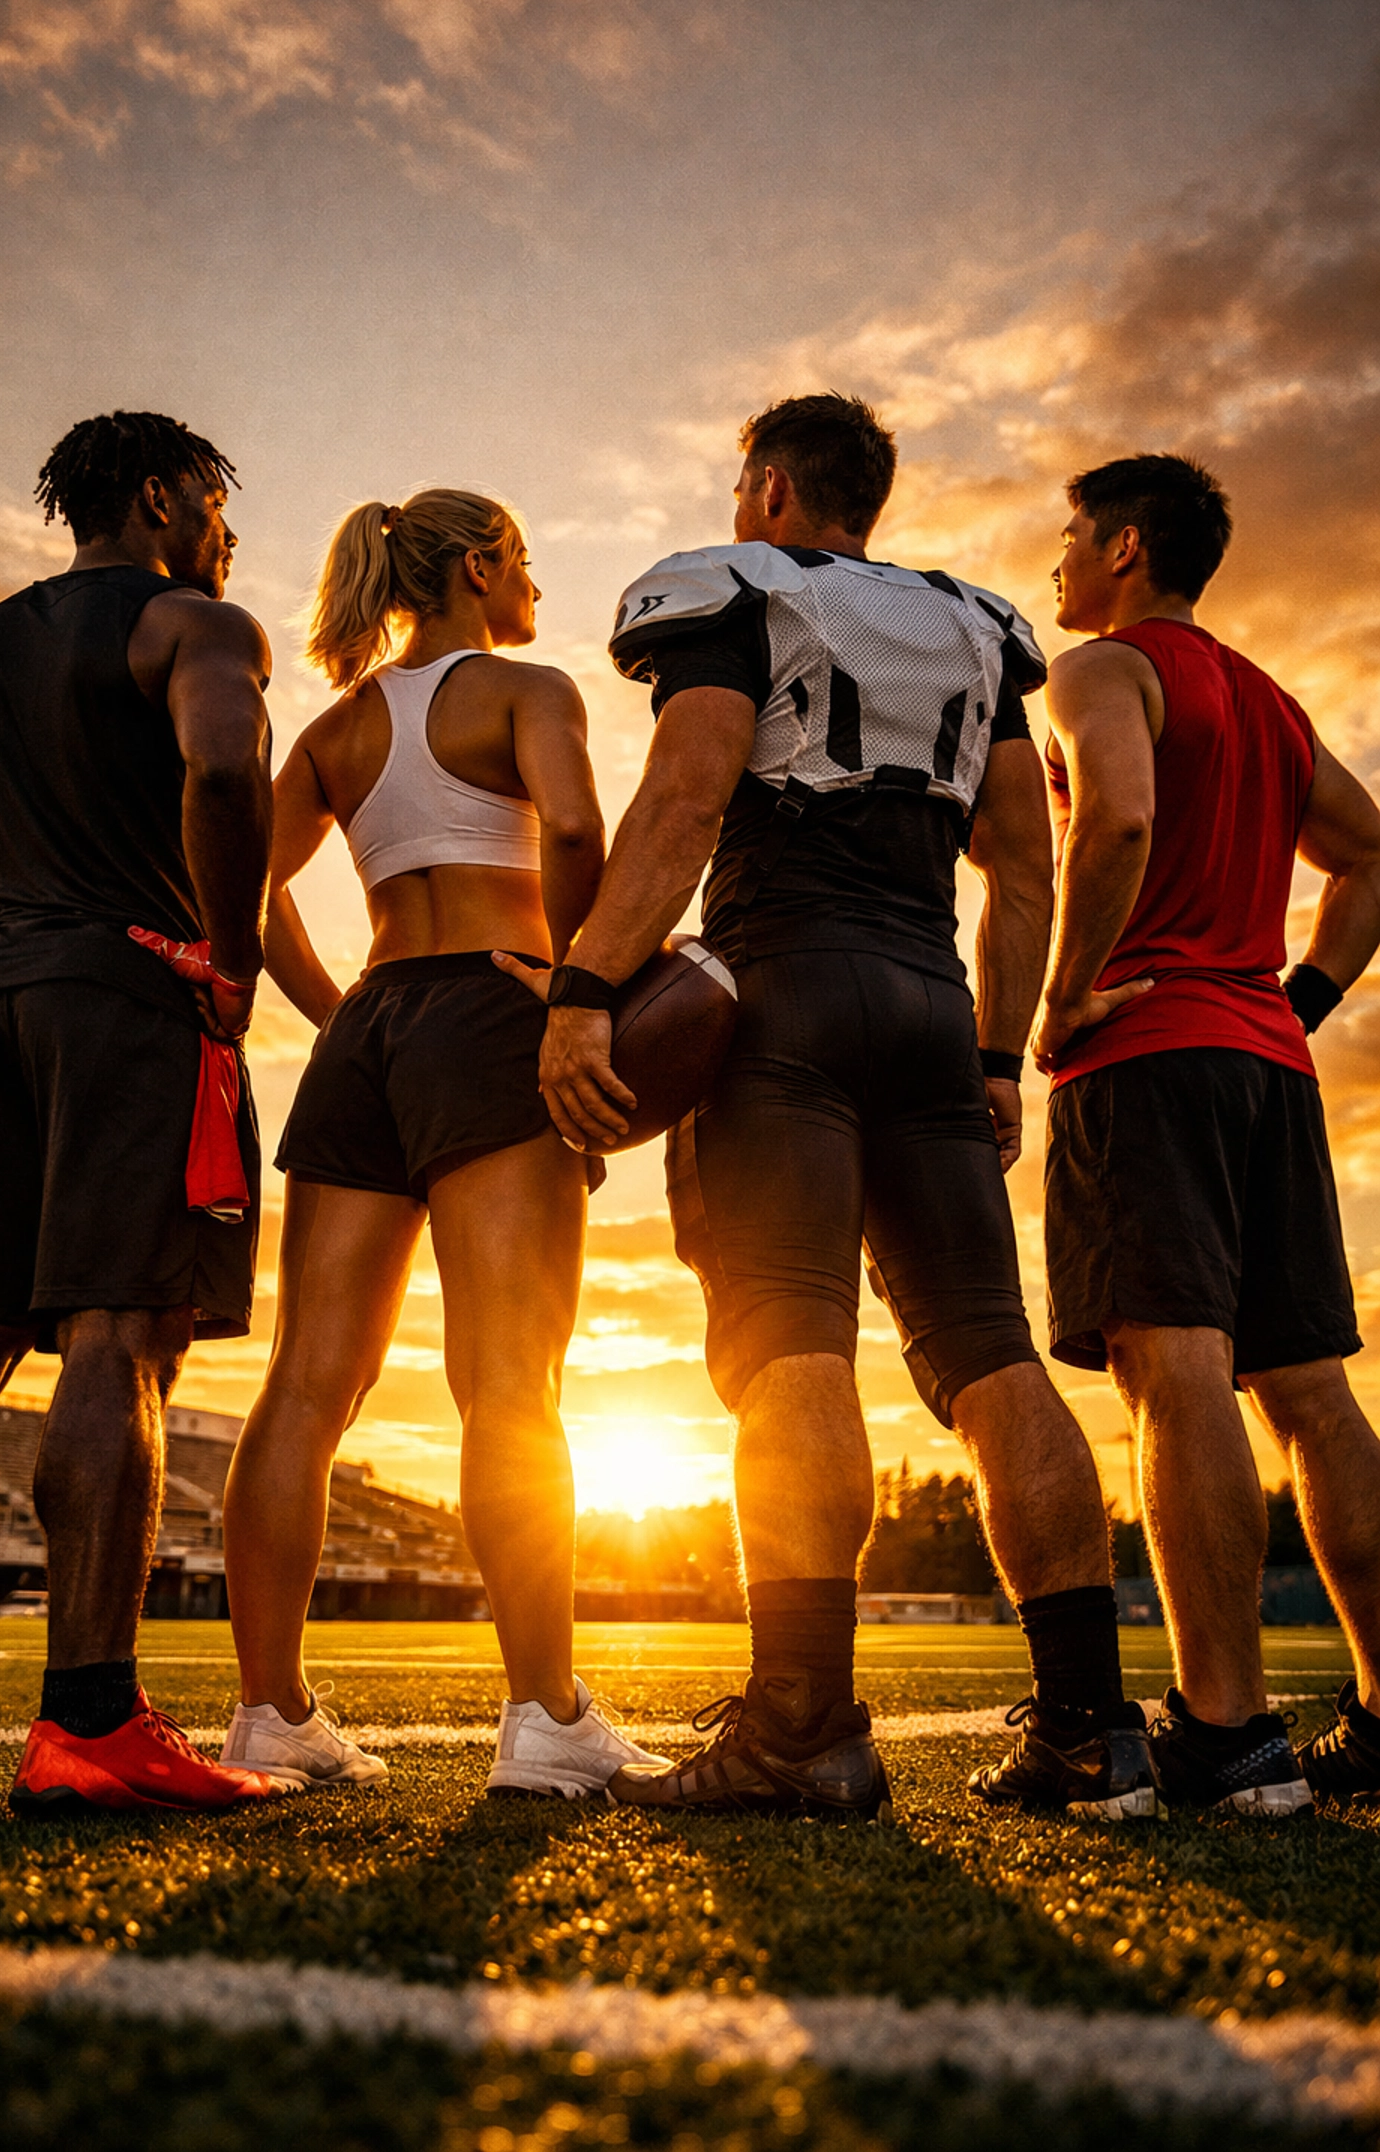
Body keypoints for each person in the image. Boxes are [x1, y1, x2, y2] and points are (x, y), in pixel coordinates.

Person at [499, 393, 1153, 1818]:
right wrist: (995, 1059)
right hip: (929, 1002)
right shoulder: (975, 626)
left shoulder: (739, 587)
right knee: (993, 1357)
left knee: (790, 1343)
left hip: (783, 994)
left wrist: (584, 987)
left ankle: (801, 1725)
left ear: (774, 489)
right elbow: (1023, 869)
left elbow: (686, 797)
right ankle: (1093, 1732)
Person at [0, 410, 284, 1810]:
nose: (226, 536)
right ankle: (92, 1722)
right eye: (214, 506)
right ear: (159, 499)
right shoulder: (197, 626)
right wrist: (231, 961)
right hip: (126, 1000)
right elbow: (228, 769)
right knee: (119, 1335)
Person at [219, 490, 672, 1798]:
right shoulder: (529, 692)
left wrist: (336, 1012)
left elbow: (241, 883)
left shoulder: (335, 730)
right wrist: (577, 990)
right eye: (523, 561)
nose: (533, 586)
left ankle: (268, 1713)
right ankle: (547, 1717)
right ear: (479, 567)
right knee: (510, 1381)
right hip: (494, 1009)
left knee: (306, 1384)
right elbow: (576, 831)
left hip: (373, 1025)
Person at [1036, 452, 1380, 1812]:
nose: (1057, 561)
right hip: (1266, 1067)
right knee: (1312, 1395)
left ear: (1125, 547)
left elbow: (1117, 817)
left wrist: (1063, 995)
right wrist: (1303, 997)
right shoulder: (1271, 700)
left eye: (1072, 536)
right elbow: (1372, 854)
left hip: (1150, 1052)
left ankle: (1228, 1730)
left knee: (1174, 1377)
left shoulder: (1100, 670)